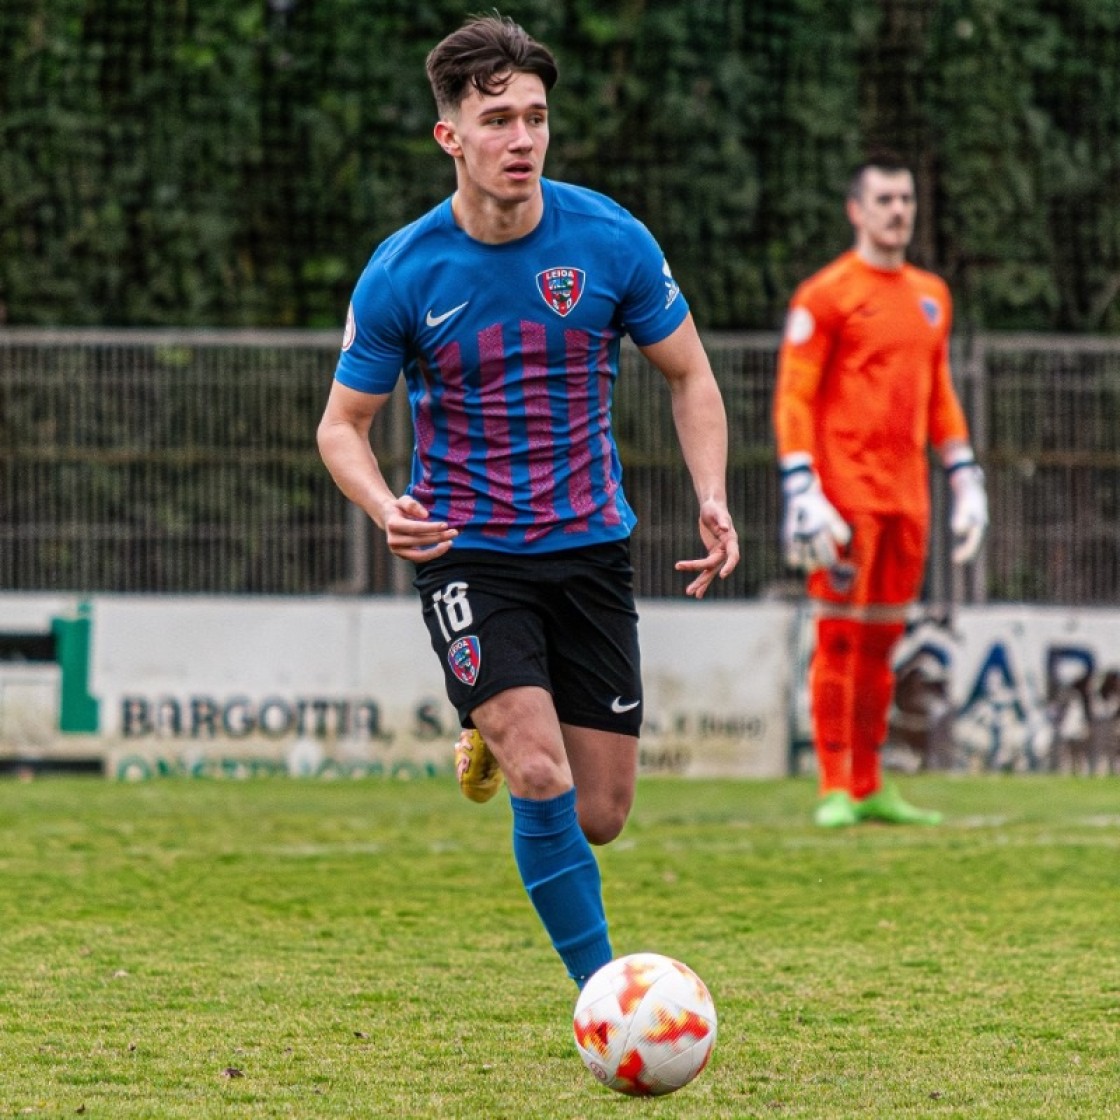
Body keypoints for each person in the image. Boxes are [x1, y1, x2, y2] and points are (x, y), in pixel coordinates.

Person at [317, 14, 739, 987]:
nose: (522, 139)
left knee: (599, 811)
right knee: (540, 770)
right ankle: (607, 999)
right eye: (498, 119)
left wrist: (711, 496)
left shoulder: (610, 240)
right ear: (449, 137)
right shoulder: (403, 271)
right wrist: (387, 507)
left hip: (590, 546)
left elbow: (691, 377)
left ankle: (488, 732)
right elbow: (342, 426)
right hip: (466, 552)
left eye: (536, 117)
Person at [773, 152, 988, 828]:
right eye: (886, 199)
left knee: (883, 642)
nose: (899, 210)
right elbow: (794, 395)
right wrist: (801, 484)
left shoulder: (932, 295)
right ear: (856, 210)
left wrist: (964, 473)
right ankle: (835, 783)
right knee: (839, 639)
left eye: (906, 200)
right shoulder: (826, 294)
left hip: (908, 499)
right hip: (844, 499)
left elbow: (939, 394)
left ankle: (872, 782)